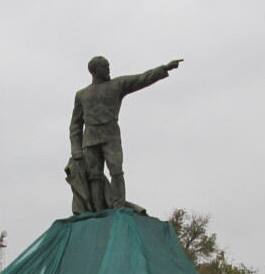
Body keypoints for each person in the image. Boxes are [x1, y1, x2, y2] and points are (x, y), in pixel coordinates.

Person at [68, 55, 183, 212]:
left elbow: (141, 79)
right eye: (104, 66)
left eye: (108, 65)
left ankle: (119, 207)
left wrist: (164, 69)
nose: (108, 69)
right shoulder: (82, 94)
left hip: (110, 136)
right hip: (90, 139)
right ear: (94, 71)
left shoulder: (117, 84)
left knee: (116, 170)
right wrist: (75, 148)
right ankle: (98, 209)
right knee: (94, 175)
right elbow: (75, 124)